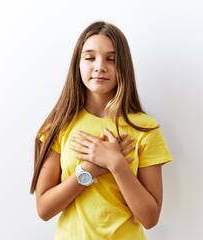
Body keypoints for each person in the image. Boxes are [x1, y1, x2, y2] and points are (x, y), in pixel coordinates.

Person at [30, 20, 172, 239]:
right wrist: (89, 168)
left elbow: (150, 218)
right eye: (89, 57)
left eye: (111, 59)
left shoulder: (145, 128)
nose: (99, 66)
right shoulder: (59, 125)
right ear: (78, 64)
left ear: (123, 66)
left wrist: (116, 164)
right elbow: (44, 209)